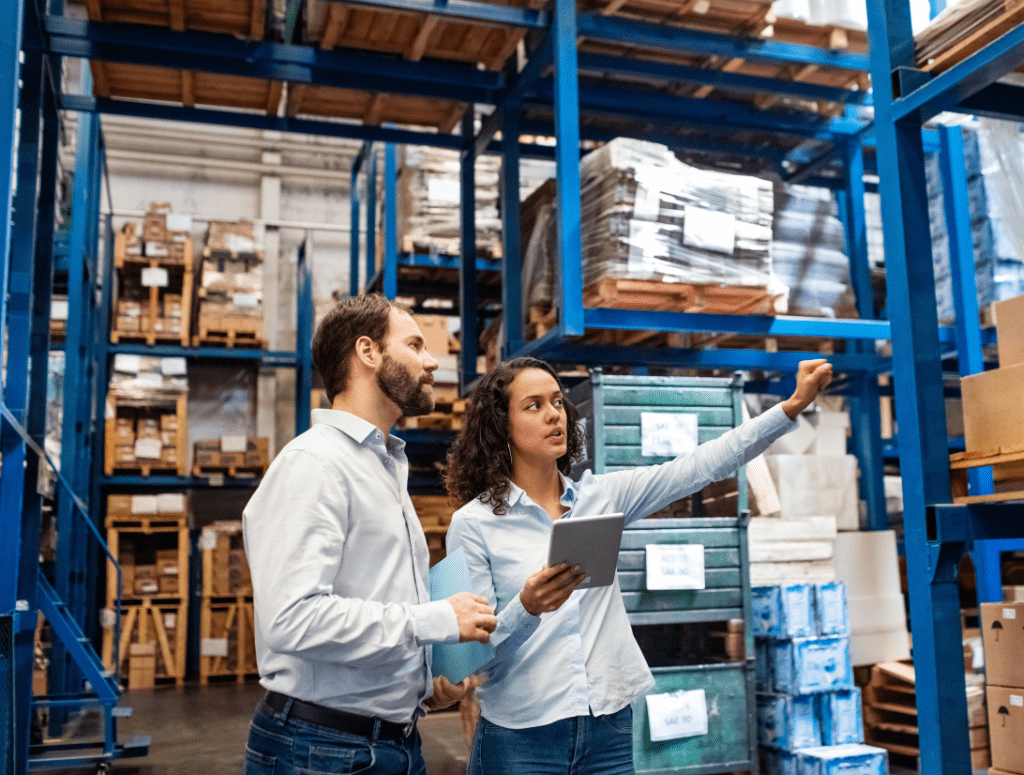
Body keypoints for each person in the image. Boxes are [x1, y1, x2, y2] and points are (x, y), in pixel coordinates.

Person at [443, 356, 833, 775]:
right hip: (520, 739)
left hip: (608, 729)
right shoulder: (470, 524)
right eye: (534, 405)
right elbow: (464, 661)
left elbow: (701, 465)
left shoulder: (602, 497)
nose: (554, 414)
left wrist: (790, 408)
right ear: (502, 426)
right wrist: (527, 607)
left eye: (557, 402)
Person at [242, 294, 499, 775]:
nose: (432, 360)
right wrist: (434, 620)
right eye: (415, 344)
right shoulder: (316, 465)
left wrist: (425, 679)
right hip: (322, 750)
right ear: (368, 352)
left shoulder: (383, 464)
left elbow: (374, 596)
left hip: (389, 742)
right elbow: (293, 619)